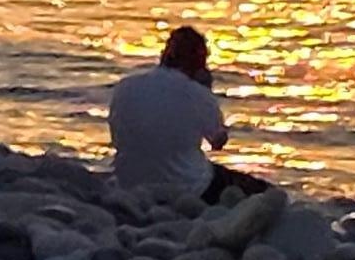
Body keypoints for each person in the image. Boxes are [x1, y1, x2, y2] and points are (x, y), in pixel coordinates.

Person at [109, 23, 255, 200]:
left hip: (128, 182)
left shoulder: (125, 86)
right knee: (258, 191)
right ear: (199, 63)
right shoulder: (197, 94)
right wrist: (207, 93)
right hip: (186, 186)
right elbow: (218, 142)